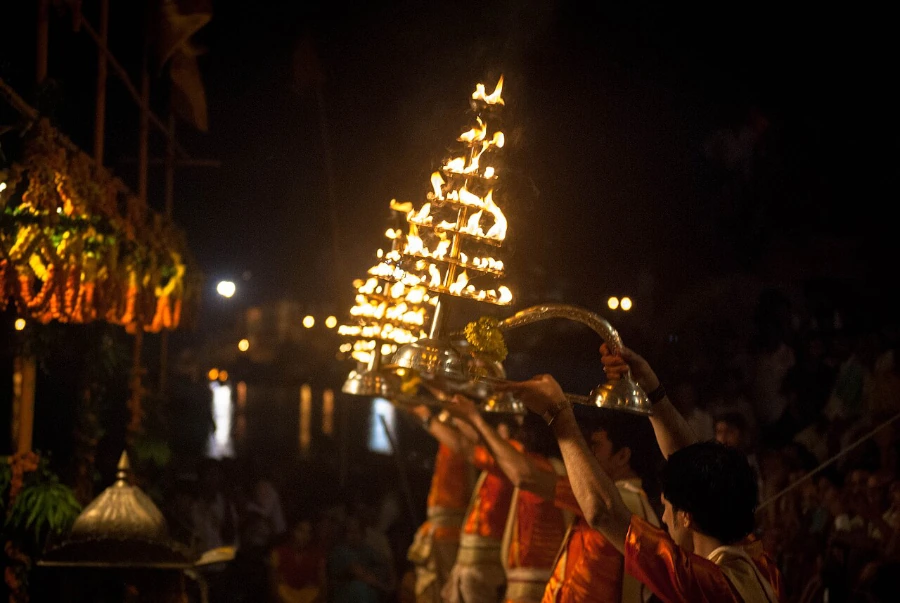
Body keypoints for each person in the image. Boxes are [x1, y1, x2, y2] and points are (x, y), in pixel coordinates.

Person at [497, 344, 785, 602]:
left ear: (687, 516)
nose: (663, 518)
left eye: (669, 507)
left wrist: (557, 413)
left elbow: (603, 512)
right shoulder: (755, 565)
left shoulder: (703, 583)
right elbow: (696, 466)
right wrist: (652, 390)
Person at [443, 392, 660, 603]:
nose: (588, 454)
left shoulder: (618, 502)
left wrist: (475, 419)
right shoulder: (613, 498)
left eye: (596, 446)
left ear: (622, 456)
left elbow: (524, 476)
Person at [440, 399, 571, 603]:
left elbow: (468, 448)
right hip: (515, 581)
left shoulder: (532, 467)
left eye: (523, 425)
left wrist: (465, 415)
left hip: (532, 586)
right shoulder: (535, 465)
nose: (520, 431)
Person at [416, 406, 516, 603]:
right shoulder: (500, 459)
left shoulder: (512, 458)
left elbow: (464, 445)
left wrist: (428, 416)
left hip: (485, 565)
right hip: (470, 560)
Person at [406, 406, 475, 603]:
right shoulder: (449, 433)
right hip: (438, 526)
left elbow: (465, 444)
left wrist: (429, 418)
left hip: (452, 528)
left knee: (448, 591)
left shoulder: (465, 434)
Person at [327, 514, 392, 603]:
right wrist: (386, 588)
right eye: (350, 532)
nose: (353, 535)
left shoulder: (365, 549)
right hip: (345, 596)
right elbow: (360, 573)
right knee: (359, 587)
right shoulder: (340, 551)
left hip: (369, 594)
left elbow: (385, 562)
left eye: (356, 531)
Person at [269, 518, 326, 603]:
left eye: (308, 532)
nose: (304, 536)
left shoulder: (317, 556)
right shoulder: (278, 553)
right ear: (292, 531)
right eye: (301, 531)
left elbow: (323, 587)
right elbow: (273, 587)